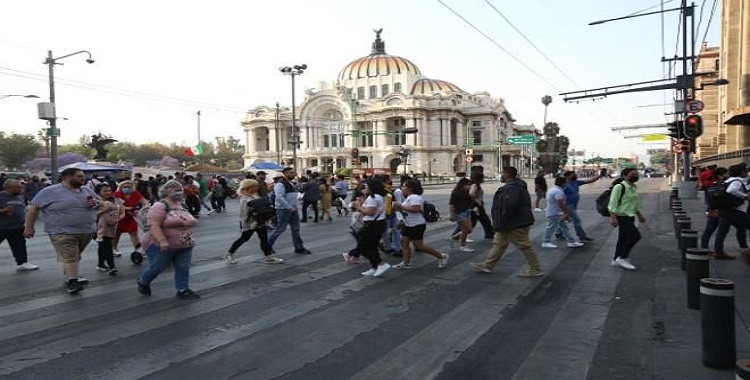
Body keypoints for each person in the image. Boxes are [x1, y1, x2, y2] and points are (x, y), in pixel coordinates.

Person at [24, 168, 98, 294]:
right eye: (79, 176)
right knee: (70, 255)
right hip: (61, 231)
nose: (83, 179)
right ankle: (72, 281)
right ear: (67, 177)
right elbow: (33, 208)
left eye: (83, 176)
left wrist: (95, 203)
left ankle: (70, 275)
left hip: (86, 230)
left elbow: (99, 202)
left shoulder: (86, 190)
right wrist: (29, 227)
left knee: (74, 255)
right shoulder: (50, 191)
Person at [470, 166, 542, 276]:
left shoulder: (512, 188)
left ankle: (535, 269)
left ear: (507, 174)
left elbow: (510, 206)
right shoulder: (514, 186)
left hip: (514, 223)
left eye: (502, 173)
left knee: (524, 245)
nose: (501, 175)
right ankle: (488, 265)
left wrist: (502, 220)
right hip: (511, 222)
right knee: (499, 243)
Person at [137, 180, 200, 299]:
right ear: (166, 191)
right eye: (175, 190)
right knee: (157, 267)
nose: (179, 192)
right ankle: (143, 281)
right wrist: (162, 241)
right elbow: (154, 225)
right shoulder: (160, 206)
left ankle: (183, 289)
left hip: (184, 243)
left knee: (183, 267)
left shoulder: (182, 205)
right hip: (163, 244)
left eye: (180, 189)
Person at [392, 179, 449, 269]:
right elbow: (406, 211)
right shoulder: (409, 197)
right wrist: (401, 219)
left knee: (419, 246)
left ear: (410, 188)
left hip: (417, 225)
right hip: (408, 224)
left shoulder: (415, 197)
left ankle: (441, 256)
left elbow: (416, 209)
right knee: (404, 242)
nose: (401, 188)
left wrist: (401, 206)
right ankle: (406, 263)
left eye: (403, 186)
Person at [224, 179, 283, 265]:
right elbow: (244, 214)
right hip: (250, 223)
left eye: (257, 186)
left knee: (264, 240)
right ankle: (229, 254)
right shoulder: (244, 199)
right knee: (244, 239)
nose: (257, 188)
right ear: (248, 187)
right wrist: (251, 213)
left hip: (260, 222)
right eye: (254, 186)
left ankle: (269, 257)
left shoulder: (255, 196)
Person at [608, 167, 646, 270]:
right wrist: (613, 218)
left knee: (622, 238)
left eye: (636, 174)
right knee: (635, 236)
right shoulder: (619, 187)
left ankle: (616, 259)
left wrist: (639, 215)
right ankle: (622, 257)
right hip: (622, 216)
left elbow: (634, 203)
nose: (635, 176)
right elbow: (612, 204)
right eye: (632, 174)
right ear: (625, 176)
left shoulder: (633, 187)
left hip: (630, 216)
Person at [267, 167, 311, 254]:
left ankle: (298, 247)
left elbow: (292, 195)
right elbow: (279, 197)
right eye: (291, 173)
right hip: (284, 210)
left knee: (296, 229)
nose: (293, 174)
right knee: (280, 229)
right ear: (285, 173)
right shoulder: (280, 184)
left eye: (293, 172)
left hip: (293, 209)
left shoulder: (291, 183)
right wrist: (289, 207)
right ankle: (267, 247)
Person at [353, 178, 390, 277]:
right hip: (377, 224)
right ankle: (375, 267)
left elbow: (370, 212)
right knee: (372, 246)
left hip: (373, 225)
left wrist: (358, 207)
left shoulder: (374, 197)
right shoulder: (376, 196)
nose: (366, 187)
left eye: (367, 185)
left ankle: (381, 263)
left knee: (363, 247)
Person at [713, 163, 750, 260]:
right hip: (736, 210)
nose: (746, 172)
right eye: (745, 170)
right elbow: (731, 190)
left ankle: (719, 251)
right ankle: (744, 249)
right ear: (740, 172)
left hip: (725, 209)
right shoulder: (737, 181)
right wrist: (745, 196)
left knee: (724, 231)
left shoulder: (728, 180)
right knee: (743, 227)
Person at [0, 180, 39, 271]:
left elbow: (23, 208)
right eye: (18, 187)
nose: (21, 189)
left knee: (19, 246)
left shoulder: (20, 196)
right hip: (2, 227)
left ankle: (22, 263)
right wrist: (3, 211)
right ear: (9, 188)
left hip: (17, 226)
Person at [556, 170, 603, 242]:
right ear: (567, 176)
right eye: (573, 175)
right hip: (568, 205)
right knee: (577, 220)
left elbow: (589, 181)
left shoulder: (576, 182)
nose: (575, 176)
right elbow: (559, 195)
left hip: (573, 205)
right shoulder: (564, 185)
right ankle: (582, 236)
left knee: (566, 219)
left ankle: (558, 233)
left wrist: (599, 176)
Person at [541, 176, 584, 249]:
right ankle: (546, 241)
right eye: (566, 183)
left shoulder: (553, 189)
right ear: (563, 183)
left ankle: (571, 241)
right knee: (551, 227)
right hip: (554, 213)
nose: (567, 184)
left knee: (564, 227)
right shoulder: (558, 192)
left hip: (554, 212)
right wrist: (566, 212)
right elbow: (560, 203)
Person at [112, 180, 149, 257]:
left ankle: (137, 250)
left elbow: (144, 201)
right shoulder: (117, 194)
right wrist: (125, 208)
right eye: (125, 187)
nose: (127, 188)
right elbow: (115, 204)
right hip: (120, 216)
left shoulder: (135, 194)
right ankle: (113, 248)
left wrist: (146, 207)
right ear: (121, 187)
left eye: (129, 187)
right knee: (117, 234)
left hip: (131, 216)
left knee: (134, 233)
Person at [95, 183, 123, 275]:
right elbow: (93, 215)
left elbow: (121, 212)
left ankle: (101, 264)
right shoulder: (96, 201)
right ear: (99, 192)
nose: (108, 192)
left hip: (111, 226)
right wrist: (106, 209)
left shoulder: (115, 201)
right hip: (99, 228)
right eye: (105, 191)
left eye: (109, 190)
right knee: (107, 246)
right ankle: (112, 266)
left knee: (102, 246)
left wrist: (118, 218)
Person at [700, 167, 729, 252]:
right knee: (721, 231)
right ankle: (718, 251)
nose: (728, 176)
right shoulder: (721, 185)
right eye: (726, 174)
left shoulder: (710, 184)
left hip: (712, 210)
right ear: (720, 176)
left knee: (710, 229)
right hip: (720, 211)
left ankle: (704, 247)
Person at [449, 178, 474, 252]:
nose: (469, 187)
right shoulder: (456, 193)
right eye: (468, 185)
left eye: (470, 185)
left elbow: (470, 202)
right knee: (465, 229)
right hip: (459, 213)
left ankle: (454, 237)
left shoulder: (467, 192)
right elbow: (451, 204)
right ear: (463, 185)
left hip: (466, 212)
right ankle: (462, 245)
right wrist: (452, 215)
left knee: (469, 229)